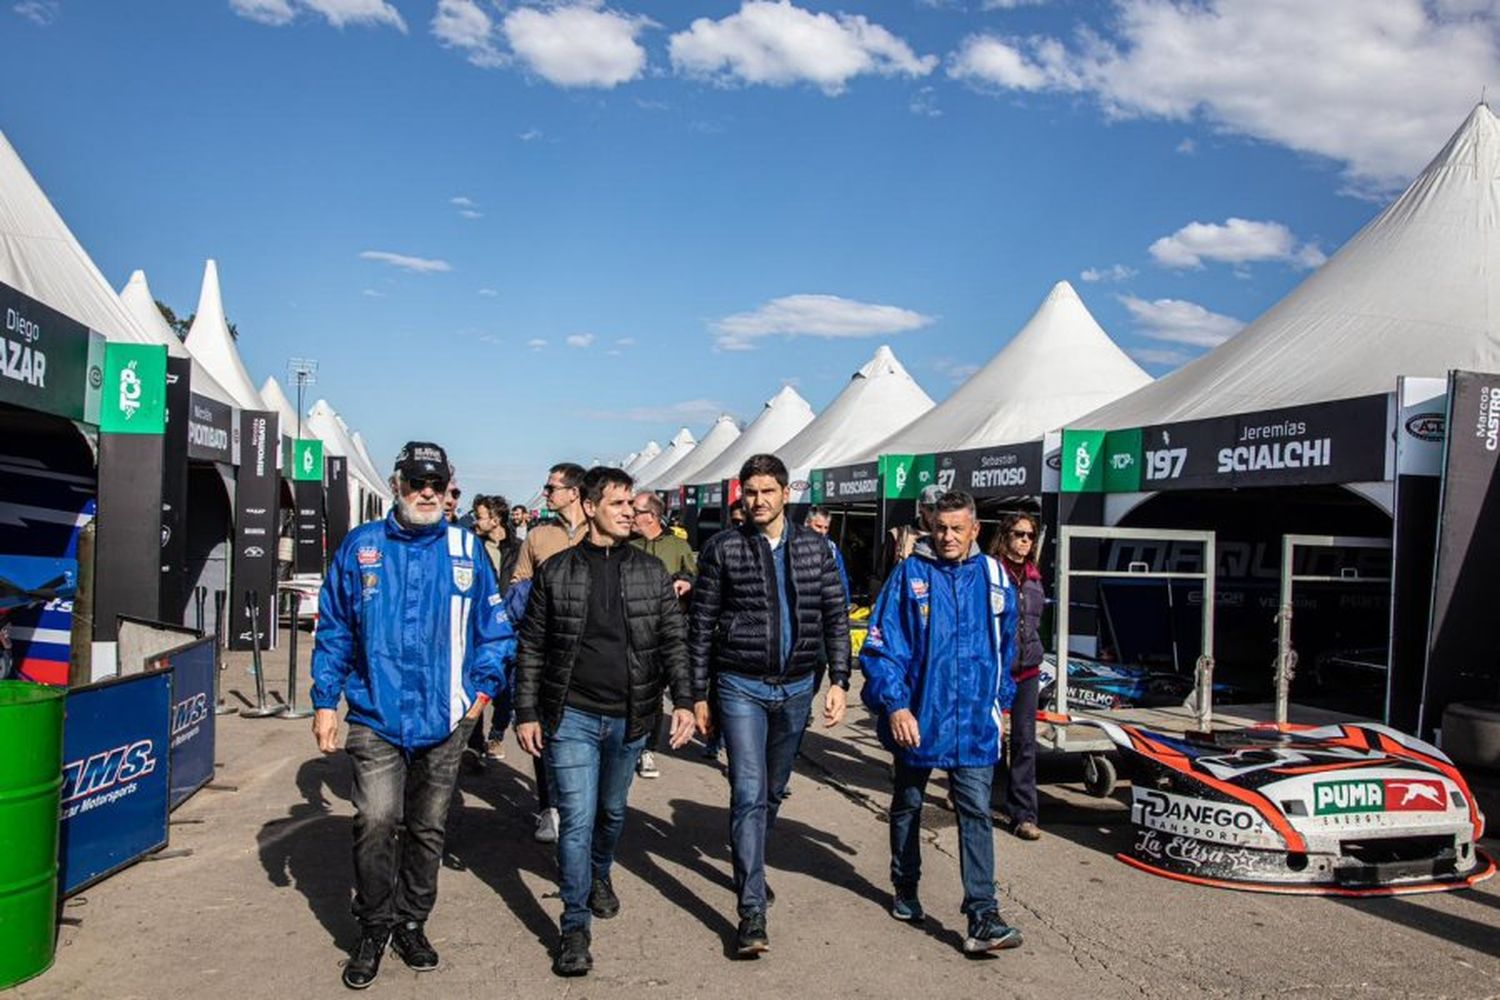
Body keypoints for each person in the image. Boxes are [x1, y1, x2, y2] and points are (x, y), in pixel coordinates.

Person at [310, 441, 515, 989]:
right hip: (376, 715)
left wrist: (481, 692)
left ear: (449, 489)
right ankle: (374, 924)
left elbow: (495, 633)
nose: (427, 492)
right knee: (376, 820)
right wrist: (325, 701)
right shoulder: (362, 547)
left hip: (447, 720)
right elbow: (333, 628)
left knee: (427, 828)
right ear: (397, 484)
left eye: (437, 484)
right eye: (416, 482)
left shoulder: (467, 550)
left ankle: (411, 921)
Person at [513, 466, 696, 977]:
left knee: (612, 813)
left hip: (630, 716)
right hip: (570, 715)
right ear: (590, 507)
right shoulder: (557, 571)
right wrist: (526, 710)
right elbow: (531, 646)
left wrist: (684, 700)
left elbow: (673, 643)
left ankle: (599, 873)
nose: (629, 512)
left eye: (632, 504)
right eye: (618, 504)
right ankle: (574, 925)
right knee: (576, 819)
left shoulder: (650, 572)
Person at [688, 453, 850, 957]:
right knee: (748, 789)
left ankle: (749, 857)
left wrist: (840, 679)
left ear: (785, 494)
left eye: (767, 491)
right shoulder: (723, 548)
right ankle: (751, 907)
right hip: (740, 684)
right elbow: (700, 623)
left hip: (798, 686)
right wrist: (696, 694)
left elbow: (835, 615)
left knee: (774, 790)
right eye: (750, 492)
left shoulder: (815, 548)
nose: (758, 501)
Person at [859, 490, 1023, 956]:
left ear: (975, 529)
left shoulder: (995, 578)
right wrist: (895, 706)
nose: (948, 537)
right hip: (918, 719)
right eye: (940, 528)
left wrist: (1000, 703)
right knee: (908, 802)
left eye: (957, 528)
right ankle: (905, 885)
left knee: (975, 812)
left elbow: (1006, 649)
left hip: (974, 724)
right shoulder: (910, 575)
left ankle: (982, 914)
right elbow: (881, 649)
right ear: (930, 527)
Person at [511, 462, 590, 843]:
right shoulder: (538, 537)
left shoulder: (600, 533)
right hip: (547, 651)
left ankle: (580, 810)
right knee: (545, 730)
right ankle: (549, 807)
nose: (545, 492)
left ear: (574, 492)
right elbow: (517, 588)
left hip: (592, 657)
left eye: (551, 487)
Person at [629, 490, 697, 779]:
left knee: (654, 693)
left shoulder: (678, 546)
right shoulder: (626, 545)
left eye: (636, 511)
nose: (630, 515)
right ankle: (626, 745)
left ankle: (647, 749)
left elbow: (697, 577)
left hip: (665, 632)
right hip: (629, 630)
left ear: (652, 516)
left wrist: (686, 582)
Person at [992, 512, 1044, 841]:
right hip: (996, 668)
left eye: (1030, 535)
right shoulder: (990, 572)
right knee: (987, 737)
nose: (1025, 540)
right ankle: (971, 794)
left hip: (1028, 669)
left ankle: (1023, 814)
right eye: (1019, 534)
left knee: (1025, 742)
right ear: (1005, 536)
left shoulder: (1035, 577)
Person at [465, 494, 522, 764]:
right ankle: (474, 745)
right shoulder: (472, 547)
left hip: (512, 628)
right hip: (478, 627)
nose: (476, 521)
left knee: (506, 690)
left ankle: (496, 734)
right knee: (476, 685)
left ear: (495, 520)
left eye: (481, 516)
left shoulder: (520, 548)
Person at [885, 484, 941, 569]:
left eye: (941, 510)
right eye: (931, 509)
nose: (935, 515)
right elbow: (879, 578)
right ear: (921, 507)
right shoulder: (898, 535)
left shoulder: (949, 538)